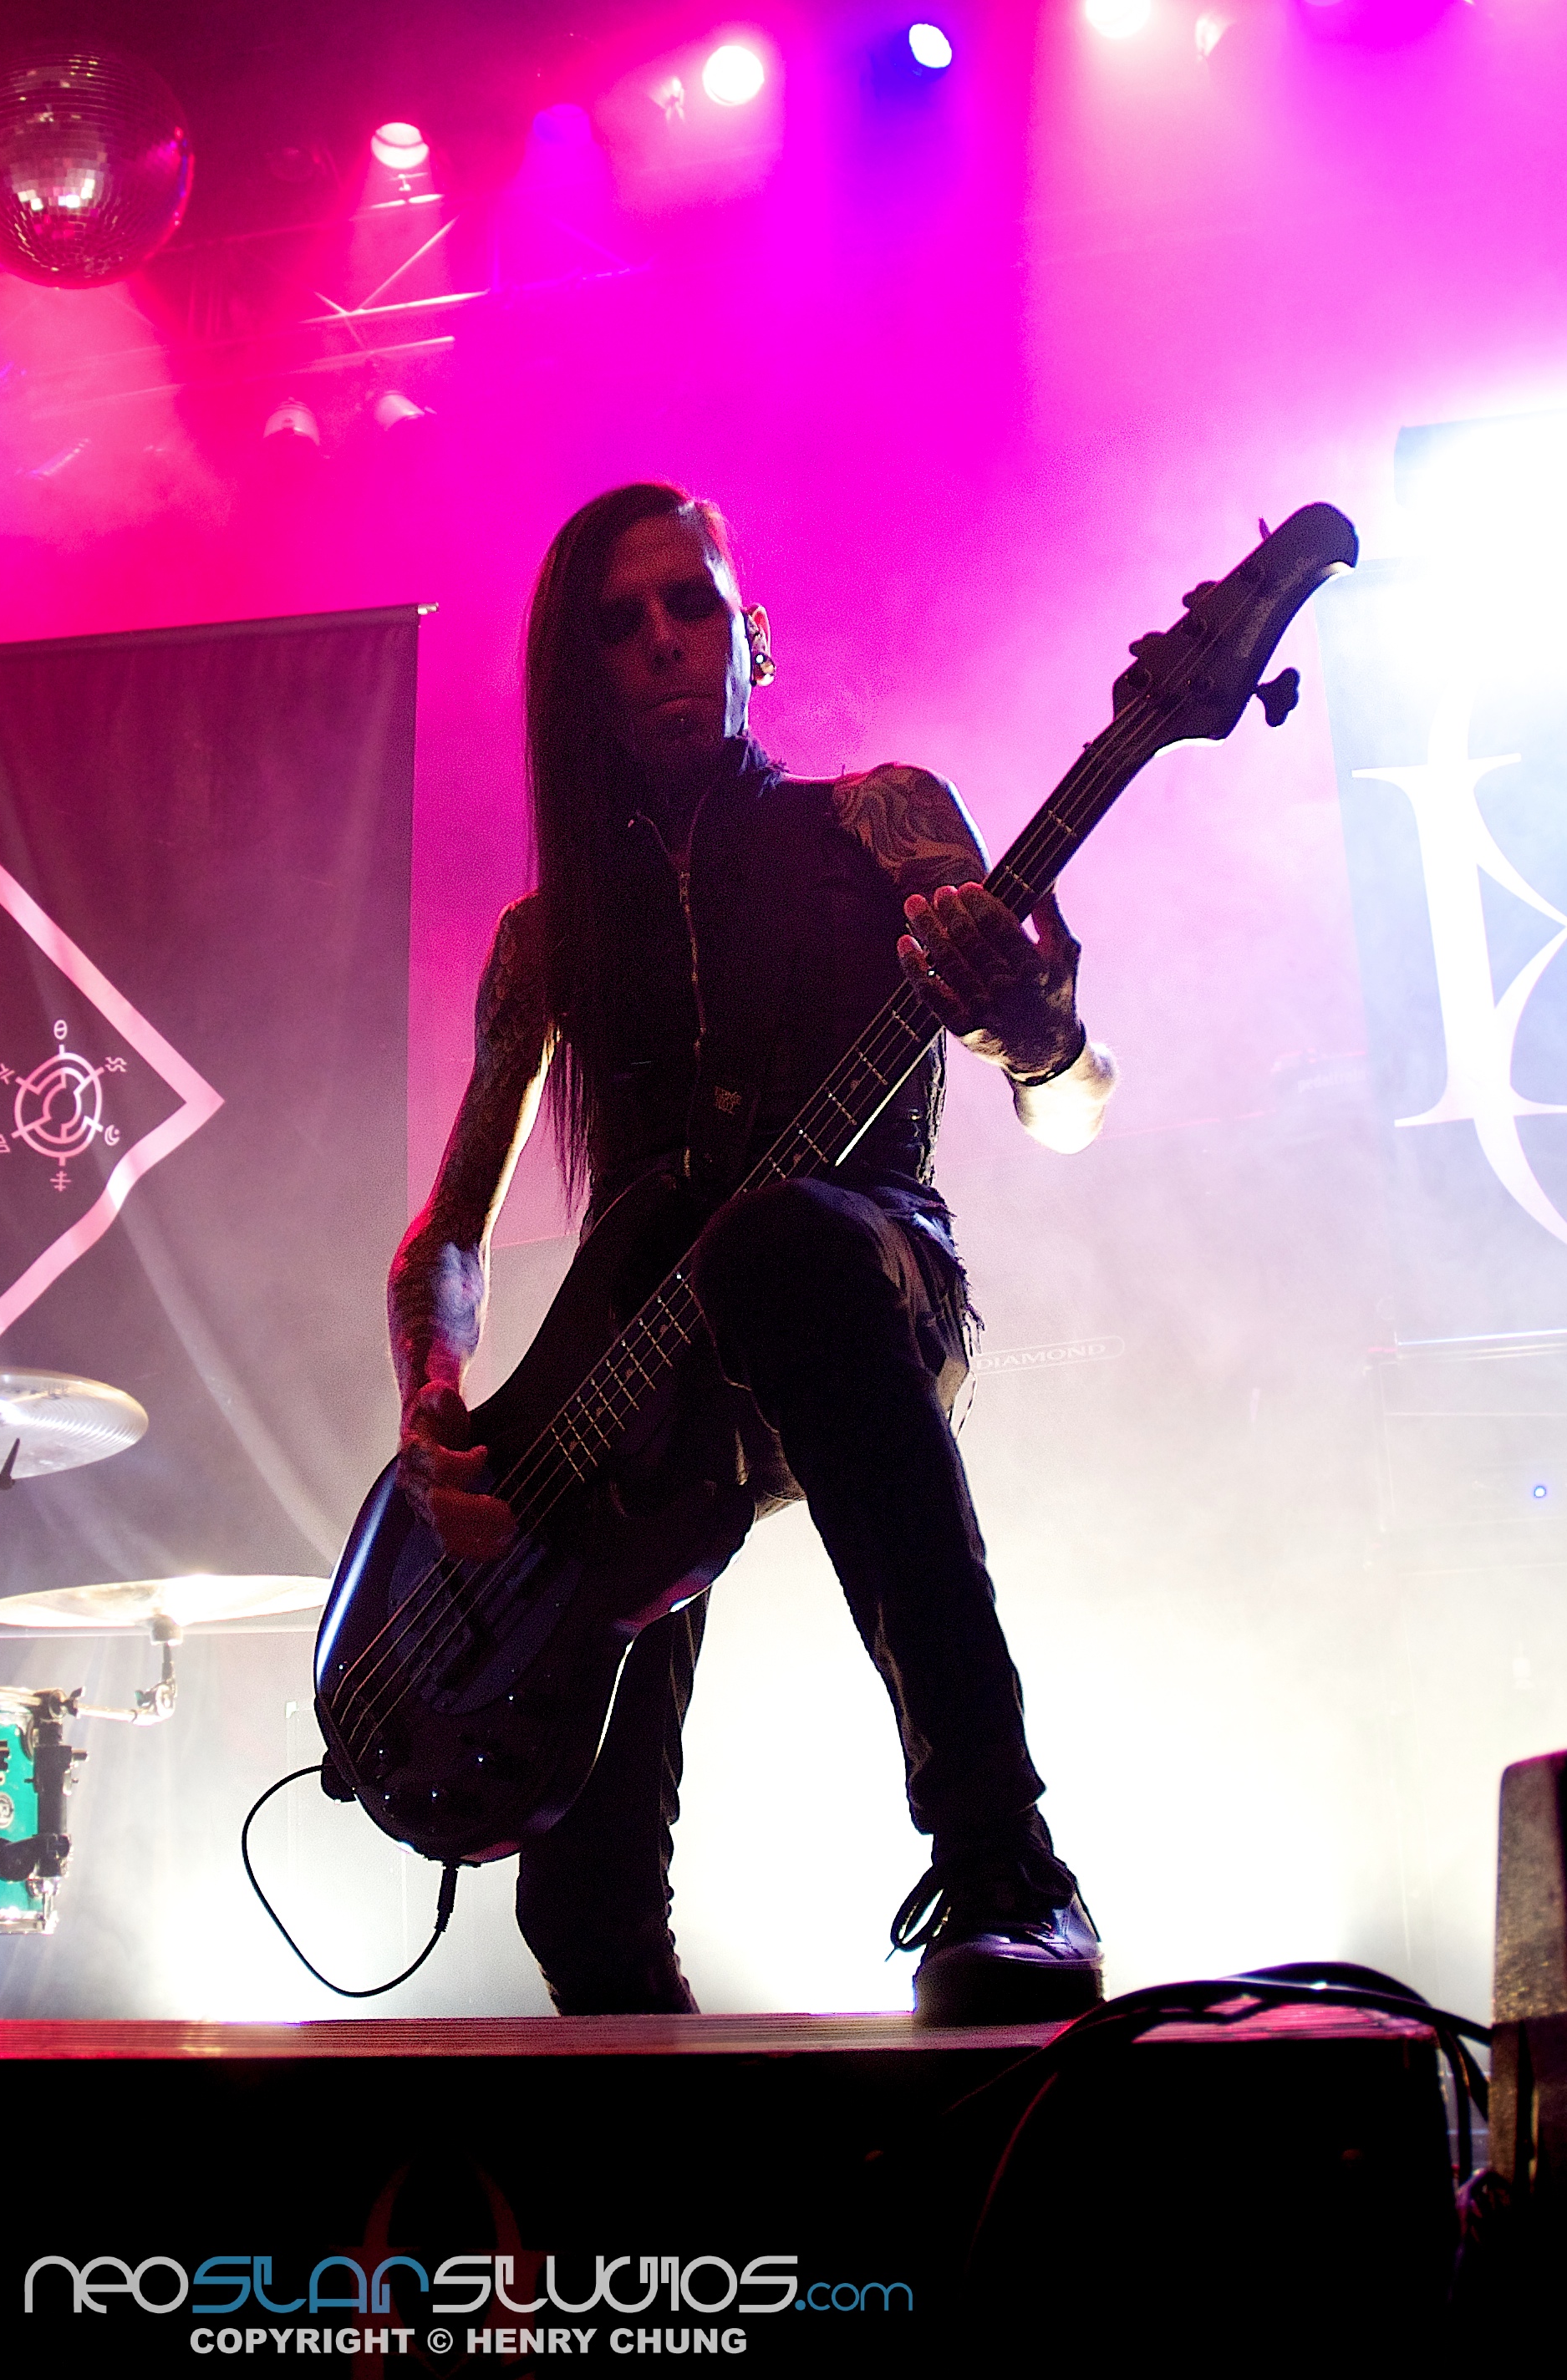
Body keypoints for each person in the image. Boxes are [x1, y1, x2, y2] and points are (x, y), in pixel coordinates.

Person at [390, 482, 1122, 2024]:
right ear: (581, 678)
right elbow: (446, 1234)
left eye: (693, 603)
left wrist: (1031, 1024)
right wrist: (433, 1403)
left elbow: (1071, 1105)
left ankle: (1003, 1860)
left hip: (863, 1270)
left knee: (781, 1248)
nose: (664, 640)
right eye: (620, 622)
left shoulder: (881, 822)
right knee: (578, 1909)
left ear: (754, 637)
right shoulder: (545, 941)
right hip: (639, 1380)